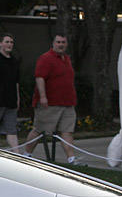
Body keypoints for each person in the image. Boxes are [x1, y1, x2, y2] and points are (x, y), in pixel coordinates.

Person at [22, 33, 80, 163]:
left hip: (67, 103)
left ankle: (71, 159)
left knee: (67, 132)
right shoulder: (46, 58)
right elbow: (39, 77)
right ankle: (26, 154)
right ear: (53, 43)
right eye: (58, 42)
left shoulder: (67, 59)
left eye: (63, 42)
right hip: (50, 104)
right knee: (39, 130)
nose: (61, 45)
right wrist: (43, 97)